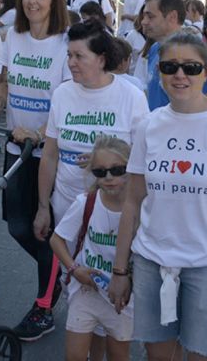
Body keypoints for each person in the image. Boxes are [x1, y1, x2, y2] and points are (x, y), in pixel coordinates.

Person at [109, 31, 207, 360]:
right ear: (159, 72)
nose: (179, 75)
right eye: (170, 66)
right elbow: (132, 203)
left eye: (191, 67)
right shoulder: (148, 126)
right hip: (152, 263)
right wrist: (120, 271)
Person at [0, 0, 72, 341]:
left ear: (53, 2)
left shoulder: (64, 42)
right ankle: (61, 271)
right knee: (17, 226)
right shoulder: (13, 36)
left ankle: (44, 305)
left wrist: (42, 131)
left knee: (43, 227)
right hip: (17, 147)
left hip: (48, 151)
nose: (32, 1)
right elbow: (3, 86)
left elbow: (66, 97)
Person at [35, 19, 148, 248]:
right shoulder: (62, 94)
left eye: (79, 56)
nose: (71, 63)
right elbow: (49, 156)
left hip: (114, 210)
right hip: (65, 204)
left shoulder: (132, 97)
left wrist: (108, 160)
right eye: (69, 55)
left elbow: (144, 158)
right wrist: (43, 206)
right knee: (69, 276)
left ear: (101, 59)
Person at [51, 137, 135, 361]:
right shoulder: (86, 202)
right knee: (75, 356)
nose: (109, 178)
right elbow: (56, 240)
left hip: (123, 297)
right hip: (86, 291)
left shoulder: (142, 209)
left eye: (117, 170)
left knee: (118, 355)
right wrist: (74, 269)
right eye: (100, 172)